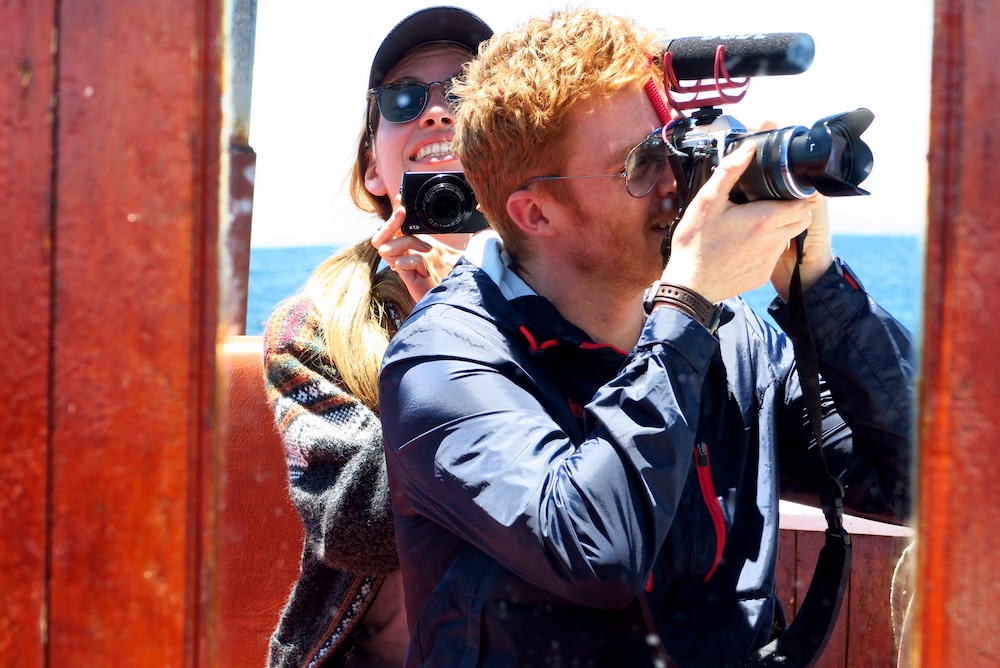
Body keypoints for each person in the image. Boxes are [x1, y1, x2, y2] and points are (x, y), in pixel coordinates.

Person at [378, 7, 913, 667]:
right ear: (535, 212)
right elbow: (595, 549)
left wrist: (819, 287)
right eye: (638, 166)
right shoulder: (444, 362)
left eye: (671, 149)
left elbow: (917, 477)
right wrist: (687, 303)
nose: (674, 185)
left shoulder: (731, 339)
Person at [261, 7, 493, 668]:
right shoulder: (315, 327)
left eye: (467, 91)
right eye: (404, 98)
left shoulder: (589, 293)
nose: (438, 112)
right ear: (370, 168)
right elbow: (352, 528)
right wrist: (452, 332)